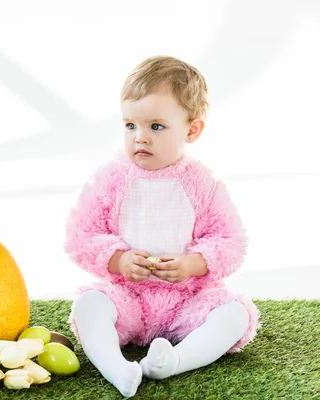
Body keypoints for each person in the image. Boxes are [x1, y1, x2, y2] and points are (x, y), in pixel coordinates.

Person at [65, 55, 259, 398]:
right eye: (130, 125)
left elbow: (230, 241)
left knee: (235, 315)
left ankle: (174, 360)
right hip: (126, 296)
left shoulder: (202, 183)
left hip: (188, 300)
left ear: (192, 129)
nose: (140, 138)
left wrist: (193, 264)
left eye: (156, 126)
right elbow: (81, 235)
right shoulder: (111, 179)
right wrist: (119, 260)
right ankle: (116, 367)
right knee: (88, 305)